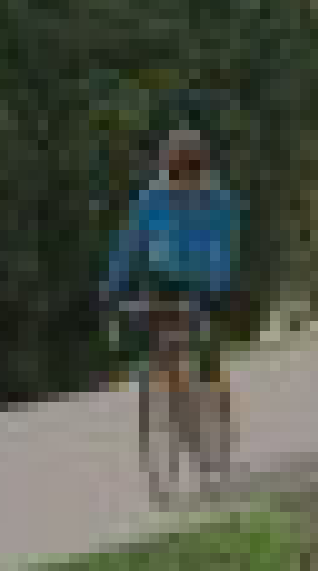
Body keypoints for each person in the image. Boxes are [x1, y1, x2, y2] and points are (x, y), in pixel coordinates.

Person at [103, 126, 246, 487]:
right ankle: (163, 414)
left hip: (204, 287)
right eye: (174, 174)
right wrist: (111, 289)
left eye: (189, 175)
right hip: (160, 283)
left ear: (202, 172)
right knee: (160, 348)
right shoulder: (150, 200)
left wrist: (208, 293)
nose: (181, 183)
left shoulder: (220, 204)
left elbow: (223, 254)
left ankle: (215, 439)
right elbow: (128, 246)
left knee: (206, 359)